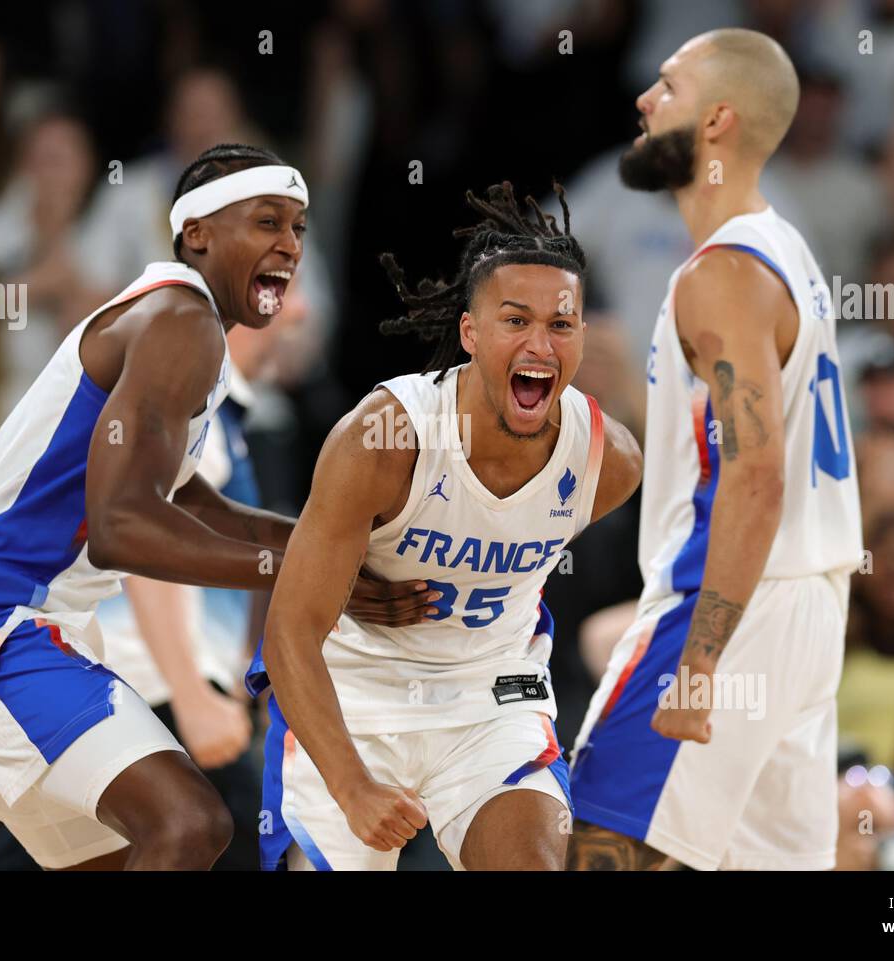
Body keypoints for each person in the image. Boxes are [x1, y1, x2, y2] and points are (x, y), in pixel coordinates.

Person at [0, 143, 425, 871]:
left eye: (298, 227)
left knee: (140, 851)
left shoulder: (177, 324)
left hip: (20, 618)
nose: (290, 245)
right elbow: (120, 527)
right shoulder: (180, 320)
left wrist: (341, 551)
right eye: (267, 222)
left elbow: (202, 508)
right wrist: (301, 571)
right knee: (190, 824)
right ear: (197, 233)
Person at [248, 181, 644, 871]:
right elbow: (289, 630)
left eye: (561, 323)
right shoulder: (384, 438)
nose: (540, 343)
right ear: (469, 332)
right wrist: (351, 784)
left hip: (490, 701)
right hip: (356, 699)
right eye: (515, 320)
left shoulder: (609, 464)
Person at [567, 29, 862, 871]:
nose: (643, 100)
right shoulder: (785, 251)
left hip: (729, 603)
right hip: (807, 606)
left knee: (595, 847)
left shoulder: (723, 274)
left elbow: (756, 475)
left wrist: (699, 660)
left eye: (667, 86)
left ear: (719, 120)